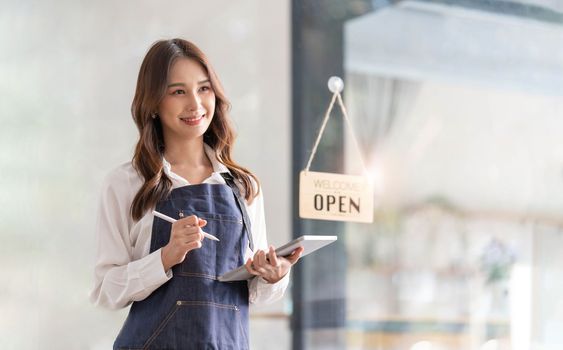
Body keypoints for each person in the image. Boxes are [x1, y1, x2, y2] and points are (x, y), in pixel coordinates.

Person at [89, 38, 303, 350]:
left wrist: (273, 275)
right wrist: (165, 257)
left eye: (203, 88)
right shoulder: (126, 183)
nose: (195, 104)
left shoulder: (243, 186)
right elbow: (105, 290)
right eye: (178, 91)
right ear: (153, 103)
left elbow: (253, 293)